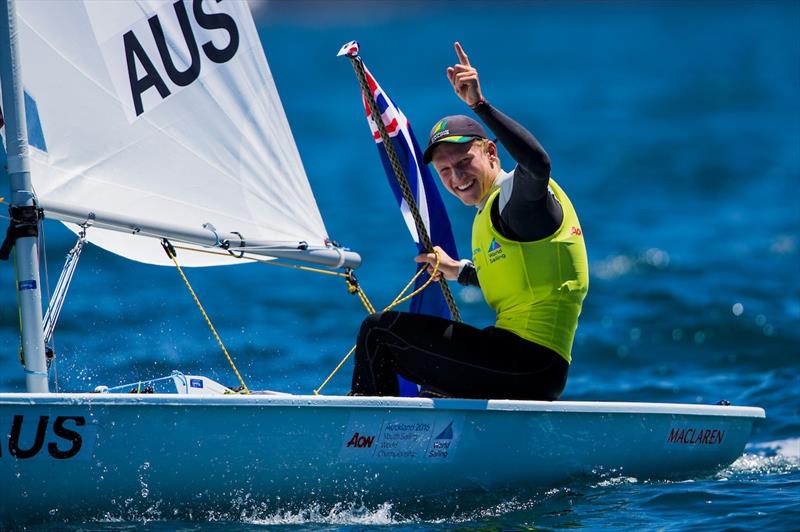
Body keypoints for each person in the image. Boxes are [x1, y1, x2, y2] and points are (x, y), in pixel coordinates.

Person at [349, 42, 588, 400]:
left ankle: (365, 438)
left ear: (491, 152)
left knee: (378, 333)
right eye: (445, 171)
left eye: (464, 162)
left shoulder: (518, 200)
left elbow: (537, 164)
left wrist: (480, 105)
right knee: (432, 388)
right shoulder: (494, 210)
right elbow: (520, 274)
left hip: (527, 364)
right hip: (520, 363)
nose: (456, 177)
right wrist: (458, 270)